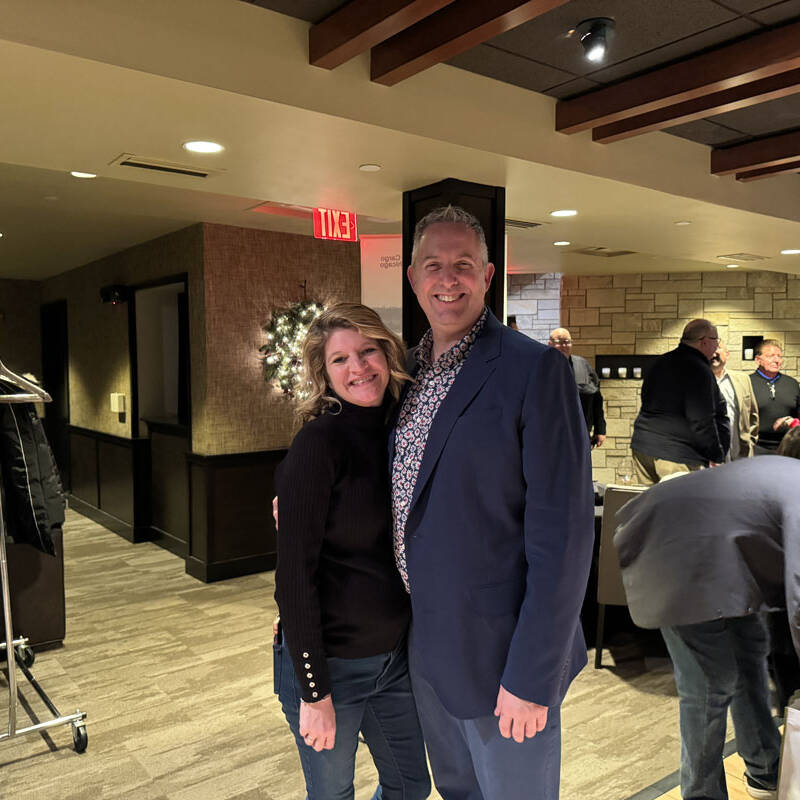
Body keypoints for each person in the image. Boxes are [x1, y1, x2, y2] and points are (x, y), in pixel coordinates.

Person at [392, 206, 593, 800]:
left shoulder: (535, 370)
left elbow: (565, 537)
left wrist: (533, 677)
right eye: (434, 265)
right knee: (457, 792)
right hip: (426, 643)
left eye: (462, 265)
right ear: (412, 277)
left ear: (488, 274)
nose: (447, 278)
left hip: (503, 656)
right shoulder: (407, 371)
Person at [273, 303, 430, 800]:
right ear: (325, 374)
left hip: (394, 657)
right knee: (333, 795)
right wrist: (314, 692)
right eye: (340, 360)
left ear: (387, 352)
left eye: (367, 351)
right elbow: (294, 576)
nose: (358, 368)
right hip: (332, 663)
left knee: (410, 787)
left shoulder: (403, 429)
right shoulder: (319, 443)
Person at [614, 457, 800, 800]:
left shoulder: (790, 475)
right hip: (674, 551)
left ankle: (765, 770)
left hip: (720, 556)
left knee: (749, 655)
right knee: (709, 686)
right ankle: (702, 794)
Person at [630, 318, 730, 484]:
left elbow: (646, 400)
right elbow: (701, 418)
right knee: (680, 508)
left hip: (643, 446)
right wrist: (715, 455)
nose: (716, 346)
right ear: (704, 342)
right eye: (716, 341)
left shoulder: (661, 361)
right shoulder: (699, 369)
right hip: (676, 454)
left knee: (650, 506)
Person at [548, 326, 606, 447]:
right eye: (559, 342)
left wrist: (600, 429)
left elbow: (596, 398)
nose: (564, 346)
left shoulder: (583, 365)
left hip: (581, 432)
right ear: (550, 344)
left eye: (567, 342)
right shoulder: (541, 368)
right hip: (550, 434)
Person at [749, 339, 800, 453]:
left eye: (779, 356)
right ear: (758, 360)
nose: (776, 360)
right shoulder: (747, 383)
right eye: (771, 356)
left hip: (789, 447)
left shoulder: (792, 383)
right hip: (755, 447)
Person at [710, 340, 759, 459]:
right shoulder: (692, 382)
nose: (713, 352)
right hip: (707, 459)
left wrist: (750, 442)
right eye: (710, 349)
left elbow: (753, 415)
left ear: (727, 354)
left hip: (739, 455)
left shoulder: (743, 379)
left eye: (717, 348)